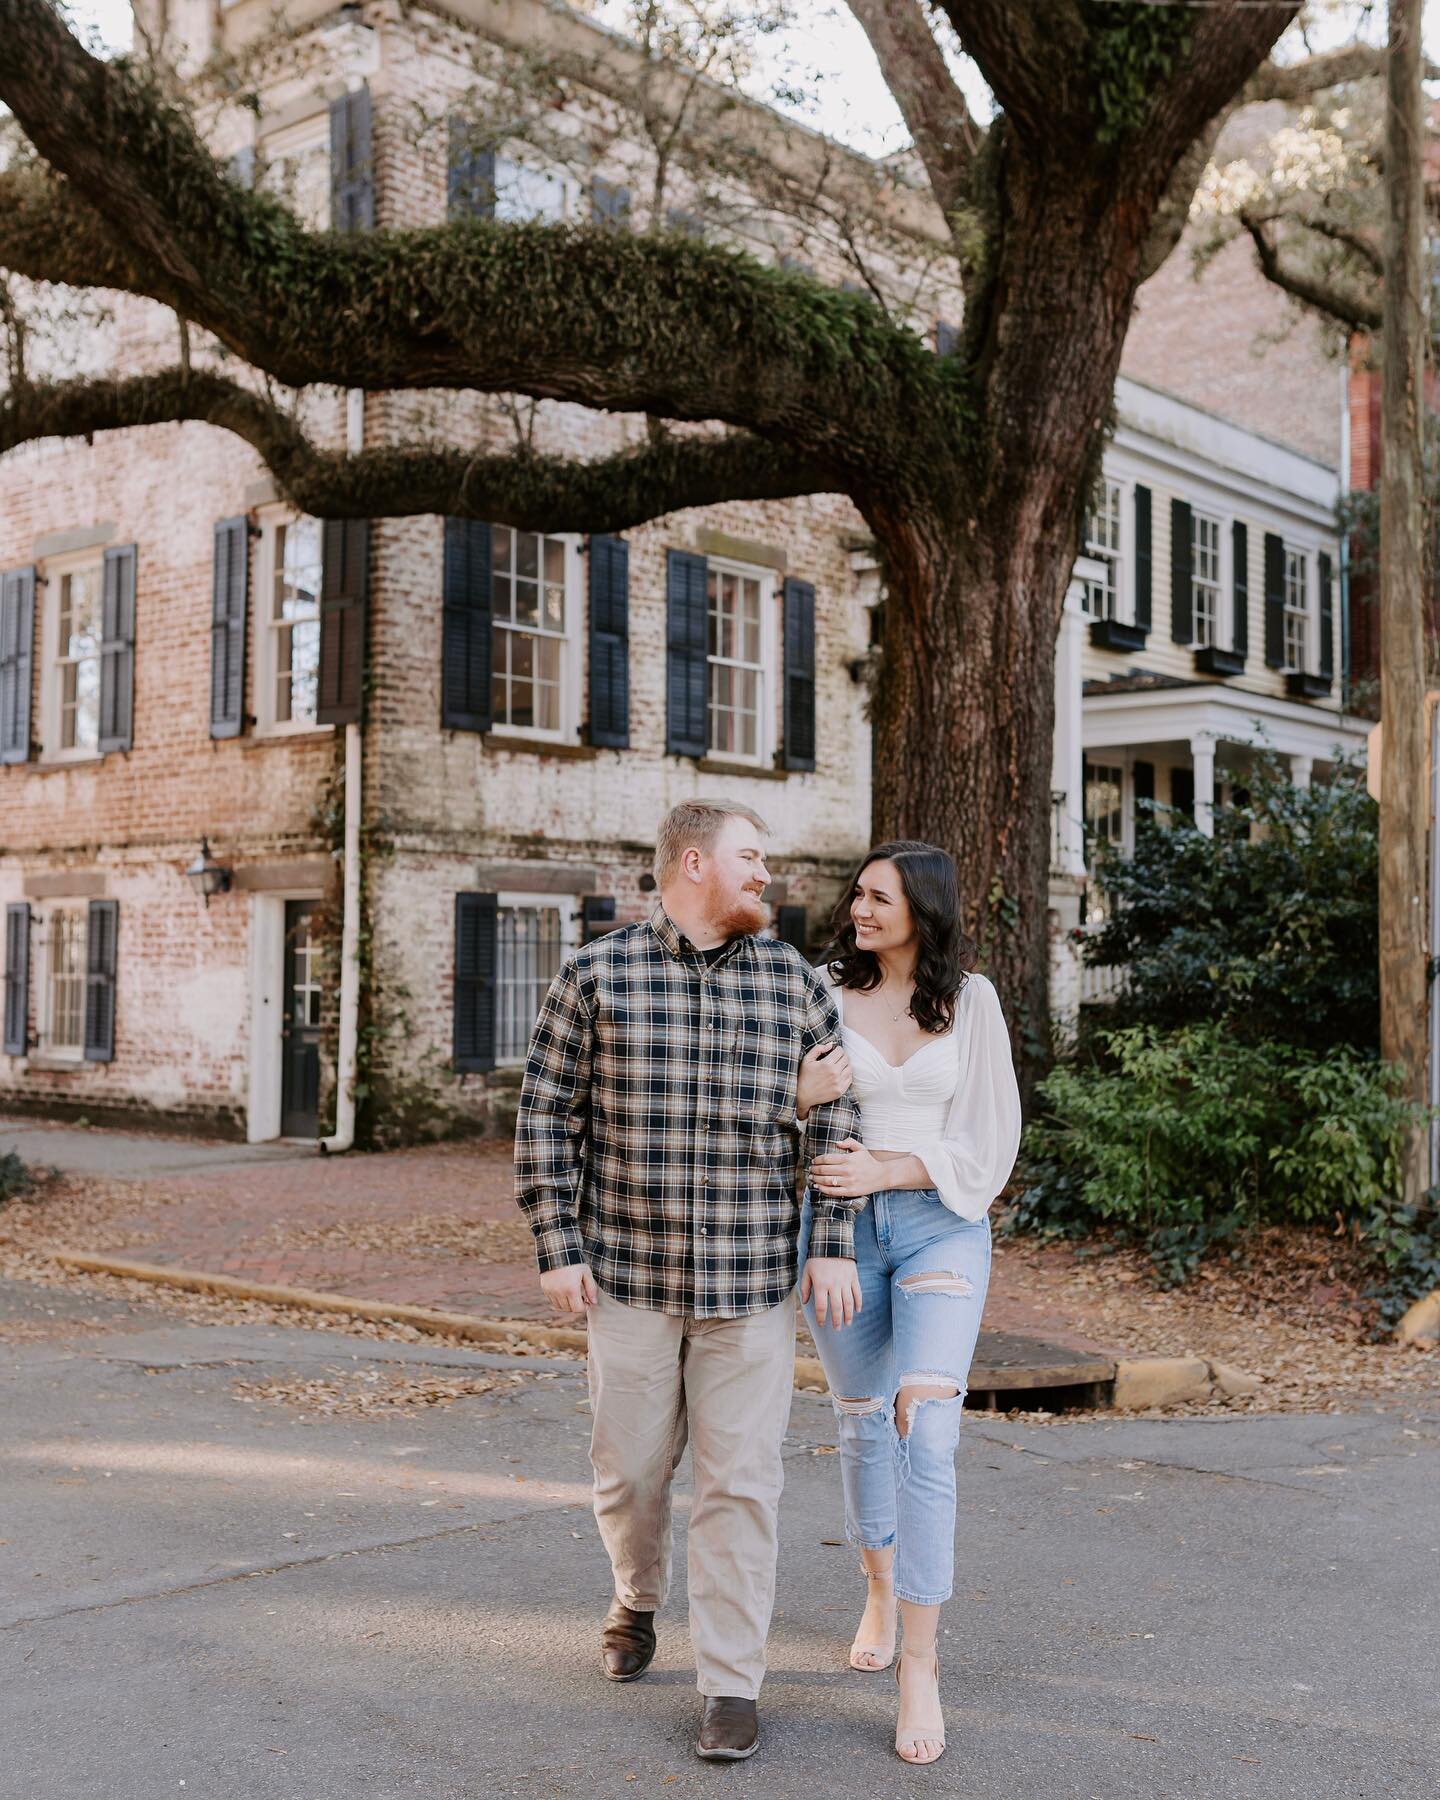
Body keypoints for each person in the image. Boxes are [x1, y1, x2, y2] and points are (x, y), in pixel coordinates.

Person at [513, 801, 864, 1763]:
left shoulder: (792, 981)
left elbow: (839, 1125)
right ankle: (637, 1594)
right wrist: (559, 1246)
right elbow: (547, 1118)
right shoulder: (596, 973)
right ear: (696, 862)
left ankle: (731, 1684)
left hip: (750, 1284)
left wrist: (831, 1241)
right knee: (628, 1476)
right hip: (627, 1274)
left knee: (742, 1486)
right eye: (753, 858)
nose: (767, 875)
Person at [795, 840, 1022, 1766]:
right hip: (842, 1235)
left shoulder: (971, 1001)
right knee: (859, 1424)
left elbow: (993, 1134)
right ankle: (879, 1587)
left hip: (940, 1224)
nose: (860, 909)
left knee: (926, 1431)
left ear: (922, 908)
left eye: (879, 897)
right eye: (857, 896)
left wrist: (895, 1166)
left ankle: (919, 1665)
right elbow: (779, 1101)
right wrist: (795, 1098)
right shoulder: (818, 989)